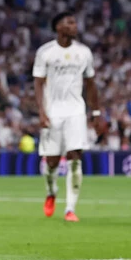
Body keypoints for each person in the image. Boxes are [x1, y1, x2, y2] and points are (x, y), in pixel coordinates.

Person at [33, 12, 101, 223]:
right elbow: (38, 83)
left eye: (75, 22)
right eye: (70, 22)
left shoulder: (84, 52)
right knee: (52, 161)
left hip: (75, 111)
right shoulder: (45, 52)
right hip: (52, 111)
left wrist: (96, 112)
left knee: (74, 156)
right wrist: (41, 111)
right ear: (58, 27)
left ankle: (70, 209)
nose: (75, 26)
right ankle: (51, 191)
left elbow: (91, 84)